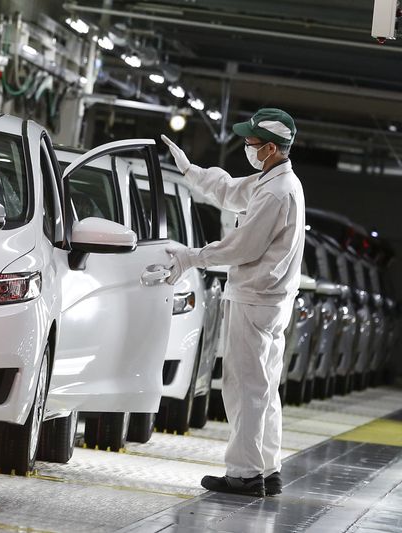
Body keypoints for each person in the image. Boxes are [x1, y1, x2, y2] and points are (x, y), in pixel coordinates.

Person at [161, 108, 305, 498]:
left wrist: (193, 257)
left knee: (245, 389)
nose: (246, 148)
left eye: (252, 143)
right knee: (264, 387)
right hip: (267, 301)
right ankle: (267, 468)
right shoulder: (273, 182)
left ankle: (243, 474)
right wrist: (191, 172)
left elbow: (242, 247)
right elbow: (229, 191)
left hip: (256, 301)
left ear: (272, 148)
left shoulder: (277, 192)